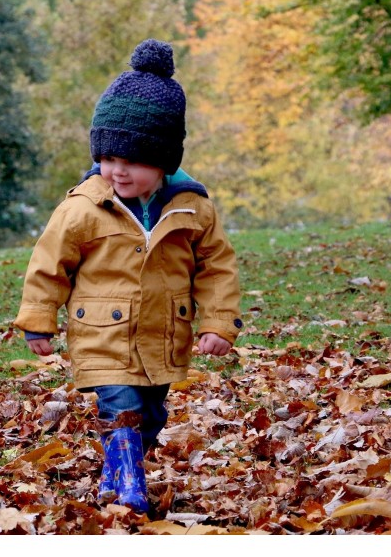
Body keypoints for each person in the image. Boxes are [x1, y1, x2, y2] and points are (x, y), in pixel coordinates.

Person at [14, 39, 243, 513]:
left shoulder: (192, 207)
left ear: (163, 160)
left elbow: (216, 267)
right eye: (109, 158)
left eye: (132, 161)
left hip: (163, 336)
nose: (117, 170)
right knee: (121, 407)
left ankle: (115, 473)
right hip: (101, 332)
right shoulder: (83, 207)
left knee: (152, 414)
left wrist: (218, 323)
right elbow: (49, 261)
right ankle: (132, 487)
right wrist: (39, 317)